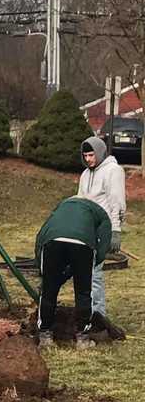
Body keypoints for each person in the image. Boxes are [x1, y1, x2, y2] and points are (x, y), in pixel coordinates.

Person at [35, 196, 111, 350]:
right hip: (83, 246)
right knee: (83, 291)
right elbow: (103, 246)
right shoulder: (101, 214)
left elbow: (40, 238)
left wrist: (44, 273)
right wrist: (90, 265)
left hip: (53, 242)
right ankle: (82, 338)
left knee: (48, 290)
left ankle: (45, 336)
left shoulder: (60, 207)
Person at [77, 135, 126, 317]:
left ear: (99, 152)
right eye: (85, 156)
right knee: (85, 271)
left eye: (91, 155)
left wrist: (115, 230)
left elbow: (117, 203)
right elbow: (81, 200)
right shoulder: (85, 174)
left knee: (95, 272)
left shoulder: (113, 171)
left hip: (103, 228)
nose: (88, 159)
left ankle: (99, 315)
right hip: (86, 229)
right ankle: (86, 312)